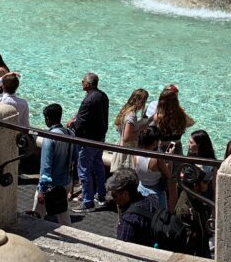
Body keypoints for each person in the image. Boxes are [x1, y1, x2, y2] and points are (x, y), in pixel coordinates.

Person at [70, 72, 109, 213]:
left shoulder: (88, 100)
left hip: (88, 140)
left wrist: (71, 124)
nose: (81, 83)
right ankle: (101, 194)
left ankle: (87, 201)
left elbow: (80, 124)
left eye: (83, 81)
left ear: (88, 84)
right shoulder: (103, 96)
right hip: (100, 138)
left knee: (84, 170)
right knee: (98, 166)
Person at [34, 103, 74, 225]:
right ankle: (71, 240)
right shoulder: (70, 134)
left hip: (51, 186)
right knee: (64, 216)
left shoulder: (49, 138)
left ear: (47, 119)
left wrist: (42, 190)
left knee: (36, 217)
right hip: (66, 183)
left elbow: (46, 166)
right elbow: (74, 158)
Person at [107, 168, 160, 246]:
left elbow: (122, 249)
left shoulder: (128, 220)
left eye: (114, 195)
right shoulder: (152, 199)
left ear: (125, 194)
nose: (113, 199)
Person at [132, 125, 174, 209]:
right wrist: (170, 158)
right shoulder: (157, 159)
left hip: (141, 189)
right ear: (155, 142)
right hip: (156, 193)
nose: (160, 142)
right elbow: (168, 174)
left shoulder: (135, 154)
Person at [112, 88, 149, 171]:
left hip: (120, 148)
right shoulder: (131, 116)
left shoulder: (124, 111)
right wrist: (140, 129)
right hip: (128, 151)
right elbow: (127, 138)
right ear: (141, 102)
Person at [153, 85, 193, 154]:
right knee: (178, 164)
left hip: (163, 148)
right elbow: (191, 123)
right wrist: (179, 109)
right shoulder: (180, 115)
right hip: (177, 147)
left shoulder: (158, 117)